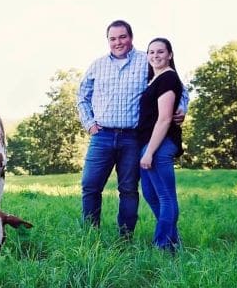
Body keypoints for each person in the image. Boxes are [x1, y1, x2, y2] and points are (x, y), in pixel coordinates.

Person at [76, 20, 188, 238]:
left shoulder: (145, 61)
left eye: (122, 37)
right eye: (113, 38)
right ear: (108, 40)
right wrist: (89, 124)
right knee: (90, 186)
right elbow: (82, 96)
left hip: (133, 138)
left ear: (131, 37)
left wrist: (182, 107)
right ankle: (90, 236)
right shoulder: (97, 65)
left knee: (128, 190)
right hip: (102, 136)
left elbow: (177, 86)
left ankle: (125, 238)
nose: (118, 42)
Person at [137, 37, 183, 251]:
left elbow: (165, 118)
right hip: (149, 144)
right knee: (150, 194)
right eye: (151, 52)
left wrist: (150, 153)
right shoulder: (154, 79)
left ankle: (163, 245)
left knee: (165, 197)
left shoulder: (168, 79)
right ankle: (173, 241)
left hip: (160, 145)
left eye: (160, 52)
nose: (155, 56)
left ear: (170, 55)